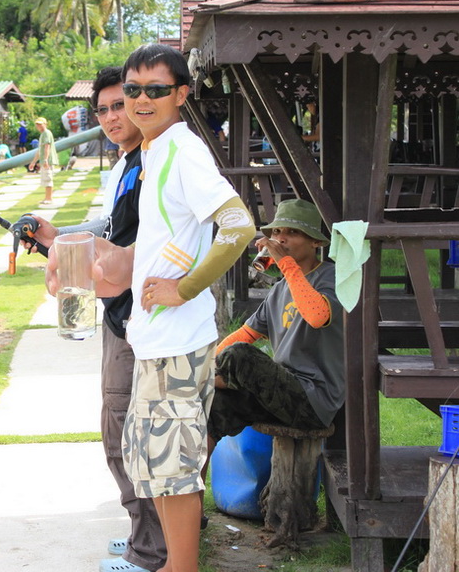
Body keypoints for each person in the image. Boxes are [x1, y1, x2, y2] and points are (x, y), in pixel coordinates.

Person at [48, 43, 255, 572]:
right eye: (133, 90)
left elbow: (238, 227)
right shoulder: (156, 150)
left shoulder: (183, 151)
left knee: (174, 470)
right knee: (151, 463)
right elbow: (150, 247)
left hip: (178, 343)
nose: (140, 101)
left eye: (155, 91)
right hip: (153, 340)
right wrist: (76, 254)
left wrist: (183, 288)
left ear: (181, 95)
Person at [24, 67, 166, 572]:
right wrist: (56, 238)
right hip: (121, 317)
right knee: (128, 428)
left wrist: (85, 260)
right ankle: (146, 536)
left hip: (143, 320)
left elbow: (140, 250)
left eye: (117, 105)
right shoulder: (125, 165)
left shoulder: (154, 163)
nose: (110, 117)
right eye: (101, 110)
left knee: (127, 431)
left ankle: (151, 553)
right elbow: (110, 234)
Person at [207, 198, 344, 458]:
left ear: (315, 242)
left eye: (293, 233)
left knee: (240, 356)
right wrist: (204, 364)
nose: (281, 239)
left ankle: (220, 380)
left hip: (314, 400)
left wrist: (287, 265)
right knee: (214, 406)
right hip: (277, 390)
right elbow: (247, 334)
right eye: (277, 232)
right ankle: (193, 496)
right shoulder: (280, 288)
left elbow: (317, 316)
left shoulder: (330, 276)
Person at [28, 117, 59, 205]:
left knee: (48, 178)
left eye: (40, 124)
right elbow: (39, 150)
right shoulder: (42, 134)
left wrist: (45, 159)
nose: (38, 126)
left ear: (45, 124)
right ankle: (47, 197)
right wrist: (33, 162)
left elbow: (47, 147)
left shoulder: (46, 133)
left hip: (48, 160)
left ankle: (49, 198)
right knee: (45, 179)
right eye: (37, 124)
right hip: (44, 160)